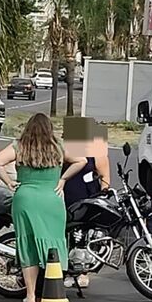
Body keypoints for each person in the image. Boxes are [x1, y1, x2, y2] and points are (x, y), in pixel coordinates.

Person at [0, 113, 87, 302]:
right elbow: (81, 160)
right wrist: (63, 179)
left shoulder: (20, 146)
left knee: (28, 244)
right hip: (52, 198)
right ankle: (55, 291)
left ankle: (30, 295)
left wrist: (8, 182)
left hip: (25, 198)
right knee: (54, 243)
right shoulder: (58, 146)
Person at [62, 118, 111, 288]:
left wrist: (103, 195)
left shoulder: (96, 151)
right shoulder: (67, 148)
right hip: (66, 195)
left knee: (84, 234)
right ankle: (67, 269)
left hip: (88, 196)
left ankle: (83, 271)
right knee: (66, 233)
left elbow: (105, 176)